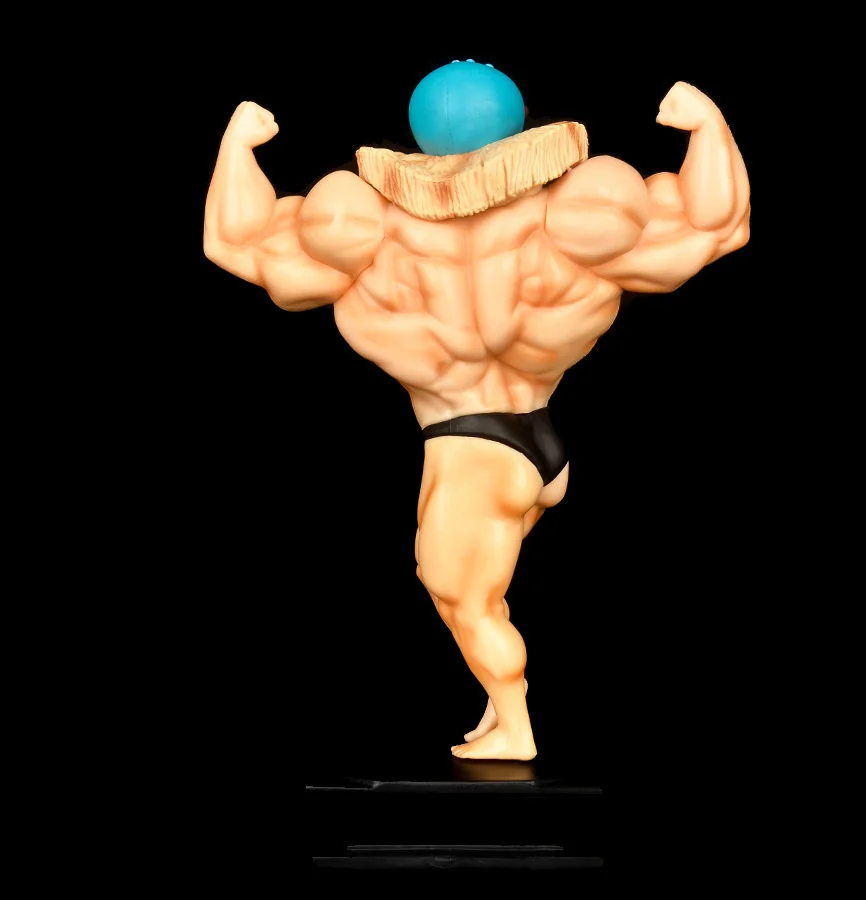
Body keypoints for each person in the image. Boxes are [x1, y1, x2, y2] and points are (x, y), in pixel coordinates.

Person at [203, 65, 750, 760]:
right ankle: (499, 707)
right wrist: (708, 127)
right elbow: (716, 225)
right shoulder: (569, 222)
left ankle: (516, 728)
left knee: (458, 592)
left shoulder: (369, 234)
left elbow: (235, 242)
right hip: (532, 434)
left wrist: (237, 144)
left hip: (470, 446)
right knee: (469, 590)